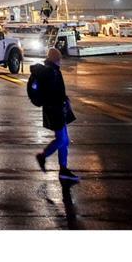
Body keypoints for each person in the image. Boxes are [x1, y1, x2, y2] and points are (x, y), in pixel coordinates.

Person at [34, 47, 79, 182]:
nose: (60, 62)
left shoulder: (50, 70)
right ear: (55, 59)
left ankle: (63, 169)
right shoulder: (52, 72)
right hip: (56, 111)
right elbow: (55, 93)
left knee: (64, 140)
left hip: (56, 110)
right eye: (59, 59)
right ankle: (44, 156)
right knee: (62, 140)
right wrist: (64, 101)